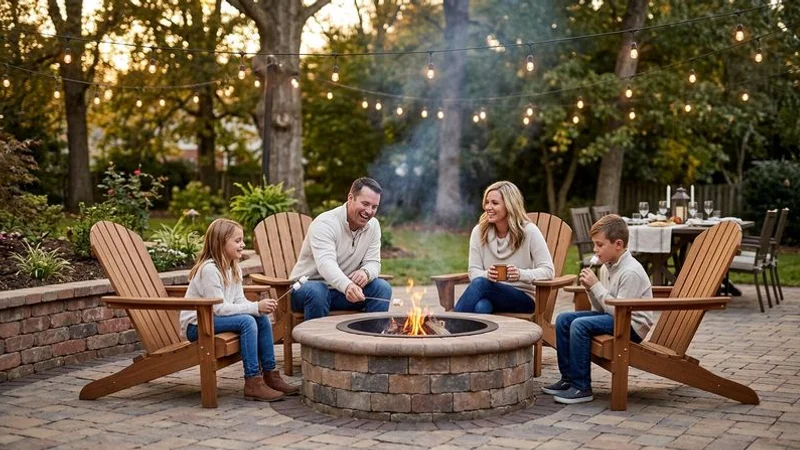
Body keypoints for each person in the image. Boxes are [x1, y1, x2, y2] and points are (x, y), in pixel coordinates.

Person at [180, 218, 299, 402]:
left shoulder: (232, 268)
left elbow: (238, 300)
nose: (242, 244)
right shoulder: (210, 270)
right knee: (247, 320)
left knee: (261, 318)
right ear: (221, 243)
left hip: (214, 319)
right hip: (198, 325)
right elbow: (218, 308)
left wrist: (258, 309)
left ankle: (270, 375)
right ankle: (252, 382)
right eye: (237, 241)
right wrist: (254, 307)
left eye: (242, 240)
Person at [543, 214, 653, 404]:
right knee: (563, 319)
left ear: (618, 245)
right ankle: (568, 379)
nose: (595, 250)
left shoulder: (630, 271)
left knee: (579, 325)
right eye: (594, 244)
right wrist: (590, 289)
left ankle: (581, 387)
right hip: (615, 318)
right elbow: (601, 308)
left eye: (599, 245)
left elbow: (618, 312)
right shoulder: (606, 267)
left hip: (631, 326)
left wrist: (596, 287)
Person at [290, 177, 392, 320]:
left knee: (382, 288)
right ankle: (315, 342)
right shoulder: (325, 223)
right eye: (365, 204)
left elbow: (374, 262)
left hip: (343, 293)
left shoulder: (373, 226)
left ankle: (369, 339)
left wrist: (366, 272)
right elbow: (326, 264)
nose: (369, 211)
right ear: (350, 198)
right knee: (318, 291)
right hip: (306, 290)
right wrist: (348, 285)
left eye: (374, 207)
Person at [454, 181, 554, 314]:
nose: (488, 207)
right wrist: (486, 274)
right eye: (487, 202)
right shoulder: (479, 232)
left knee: (480, 284)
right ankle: (482, 335)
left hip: (522, 298)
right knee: (482, 307)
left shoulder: (529, 231)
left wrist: (521, 274)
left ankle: (451, 327)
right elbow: (473, 271)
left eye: (494, 203)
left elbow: (548, 271)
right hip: (491, 295)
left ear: (509, 206)